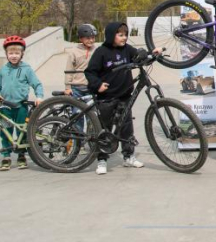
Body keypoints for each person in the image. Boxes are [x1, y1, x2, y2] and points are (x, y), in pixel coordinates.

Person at [85, 22, 159, 175]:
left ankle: (129, 156)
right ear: (112, 35)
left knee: (126, 127)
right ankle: (102, 159)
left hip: (125, 95)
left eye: (126, 34)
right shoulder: (101, 52)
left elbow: (139, 55)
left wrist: (152, 53)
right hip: (106, 97)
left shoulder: (127, 49)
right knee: (104, 129)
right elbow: (90, 72)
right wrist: (98, 84)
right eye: (120, 35)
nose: (124, 37)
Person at [0, 36, 44, 171]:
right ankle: (6, 156)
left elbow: (37, 84)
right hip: (5, 107)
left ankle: (21, 155)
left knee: (22, 131)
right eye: (11, 53)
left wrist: (39, 96)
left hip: (21, 106)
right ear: (6, 54)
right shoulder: (3, 70)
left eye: (16, 53)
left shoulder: (27, 69)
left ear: (22, 54)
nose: (13, 56)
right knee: (5, 131)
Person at [64, 24, 97, 100]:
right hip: (77, 87)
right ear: (81, 39)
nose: (91, 40)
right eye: (88, 38)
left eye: (93, 38)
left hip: (91, 86)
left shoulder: (97, 50)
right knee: (77, 111)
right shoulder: (74, 52)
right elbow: (69, 70)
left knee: (91, 111)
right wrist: (67, 87)